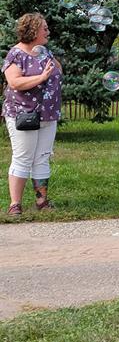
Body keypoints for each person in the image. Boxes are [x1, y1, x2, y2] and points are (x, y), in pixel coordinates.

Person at [2, 13, 63, 215]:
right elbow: (14, 82)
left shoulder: (45, 51)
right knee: (23, 157)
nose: (48, 31)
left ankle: (42, 202)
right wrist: (42, 77)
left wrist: (53, 71)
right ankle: (15, 205)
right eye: (44, 28)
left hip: (48, 113)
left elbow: (58, 70)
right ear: (33, 30)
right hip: (23, 113)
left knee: (42, 157)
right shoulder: (16, 54)